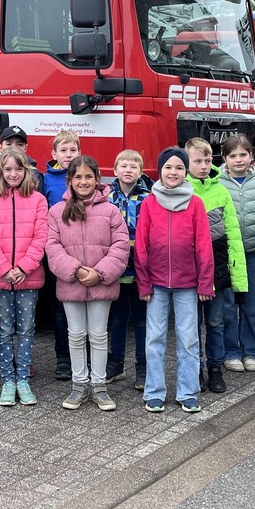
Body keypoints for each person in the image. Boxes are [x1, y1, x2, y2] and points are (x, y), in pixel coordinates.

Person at [47, 156, 129, 412]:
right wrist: (75, 270)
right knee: (76, 335)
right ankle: (79, 384)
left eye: (88, 176)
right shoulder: (57, 211)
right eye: (78, 177)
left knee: (98, 335)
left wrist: (100, 273)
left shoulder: (111, 210)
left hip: (101, 283)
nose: (84, 182)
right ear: (69, 181)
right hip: (71, 283)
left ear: (97, 179)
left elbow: (121, 245)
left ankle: (100, 385)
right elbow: (52, 246)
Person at [136, 148, 214, 414]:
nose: (173, 172)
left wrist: (205, 282)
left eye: (179, 168)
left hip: (188, 284)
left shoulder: (195, 203)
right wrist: (144, 283)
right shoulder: (148, 203)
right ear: (160, 171)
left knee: (189, 339)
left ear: (186, 171)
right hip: (156, 284)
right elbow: (141, 246)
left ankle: (188, 391)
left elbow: (204, 245)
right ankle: (155, 392)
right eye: (168, 167)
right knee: (155, 338)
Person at [0, 148, 49, 407]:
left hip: (27, 278)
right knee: (4, 330)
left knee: (26, 330)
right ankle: (7, 380)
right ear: (0, 171)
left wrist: (23, 267)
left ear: (26, 171)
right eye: (7, 169)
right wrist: (3, 268)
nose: (13, 174)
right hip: (1, 278)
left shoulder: (38, 200)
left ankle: (23, 379)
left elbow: (40, 238)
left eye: (18, 169)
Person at [185, 137, 247, 395]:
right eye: (197, 161)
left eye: (207, 160)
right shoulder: (181, 189)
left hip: (218, 270)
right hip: (189, 272)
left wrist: (239, 277)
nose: (202, 165)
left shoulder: (221, 191)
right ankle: (195, 369)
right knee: (191, 326)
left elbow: (233, 235)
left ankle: (215, 368)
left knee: (215, 323)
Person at [217, 136, 255, 374]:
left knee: (251, 305)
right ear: (225, 159)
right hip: (229, 254)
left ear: (251, 156)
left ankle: (250, 351)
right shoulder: (218, 183)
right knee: (229, 305)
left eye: (243, 155)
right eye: (233, 156)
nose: (238, 160)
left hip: (253, 253)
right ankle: (230, 351)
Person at [105, 149, 152, 389]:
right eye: (123, 166)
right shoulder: (106, 196)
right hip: (116, 269)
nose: (128, 170)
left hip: (141, 268)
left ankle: (143, 367)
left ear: (141, 172)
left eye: (134, 166)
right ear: (115, 171)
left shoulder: (148, 197)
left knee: (142, 321)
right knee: (118, 318)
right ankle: (115, 364)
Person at [43, 130, 80, 212]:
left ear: (79, 153)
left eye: (73, 150)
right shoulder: (46, 180)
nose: (69, 155)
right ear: (54, 154)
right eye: (63, 150)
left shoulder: (85, 176)